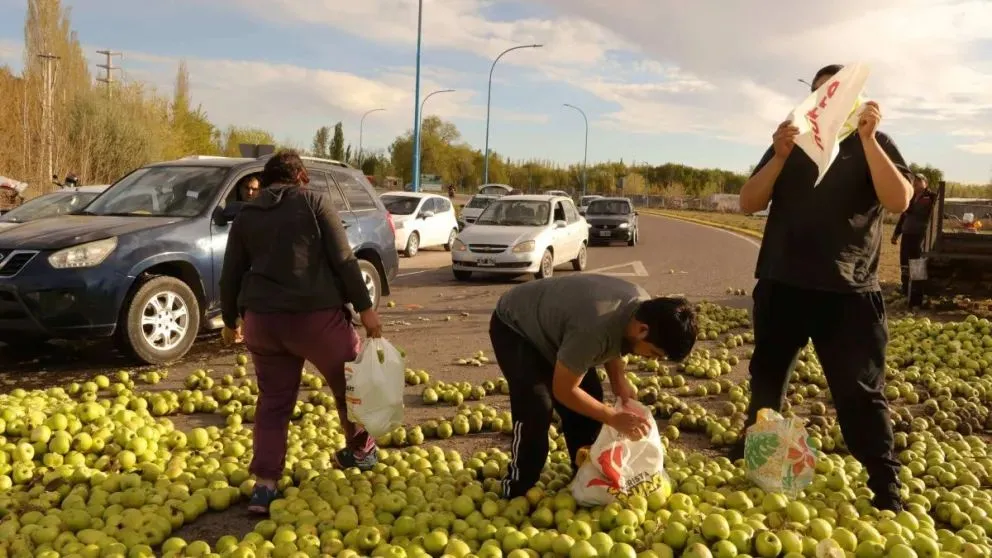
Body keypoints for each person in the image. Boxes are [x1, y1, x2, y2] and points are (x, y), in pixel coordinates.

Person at [735, 64, 914, 512]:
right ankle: (762, 471)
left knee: (859, 392)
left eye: (837, 96)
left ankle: (884, 484)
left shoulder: (873, 143)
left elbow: (900, 200)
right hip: (783, 284)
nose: (826, 106)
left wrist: (870, 140)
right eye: (818, 97)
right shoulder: (790, 143)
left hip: (848, 293)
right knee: (767, 382)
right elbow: (748, 202)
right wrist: (777, 156)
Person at [219, 150, 384, 515]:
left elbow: (231, 272)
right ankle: (360, 451)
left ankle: (264, 487)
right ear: (301, 177)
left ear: (265, 180)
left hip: (262, 323)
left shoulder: (247, 215)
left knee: (274, 404)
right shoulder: (313, 203)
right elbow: (344, 259)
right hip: (315, 320)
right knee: (353, 387)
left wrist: (230, 321)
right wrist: (366, 309)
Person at [489, 274, 698, 498]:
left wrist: (619, 381)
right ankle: (516, 489)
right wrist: (611, 417)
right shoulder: (592, 329)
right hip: (516, 327)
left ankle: (585, 479)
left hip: (561, 330)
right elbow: (564, 390)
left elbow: (615, 339)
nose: (653, 360)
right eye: (655, 353)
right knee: (537, 406)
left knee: (590, 401)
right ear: (642, 330)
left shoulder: (641, 309)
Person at [891, 173, 936, 297]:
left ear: (925, 183)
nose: (915, 182)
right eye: (914, 181)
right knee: (904, 262)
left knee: (917, 262)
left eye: (919, 180)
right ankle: (905, 288)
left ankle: (917, 291)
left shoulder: (932, 197)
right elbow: (903, 217)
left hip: (920, 235)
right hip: (907, 234)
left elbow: (936, 215)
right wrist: (896, 234)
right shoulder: (909, 197)